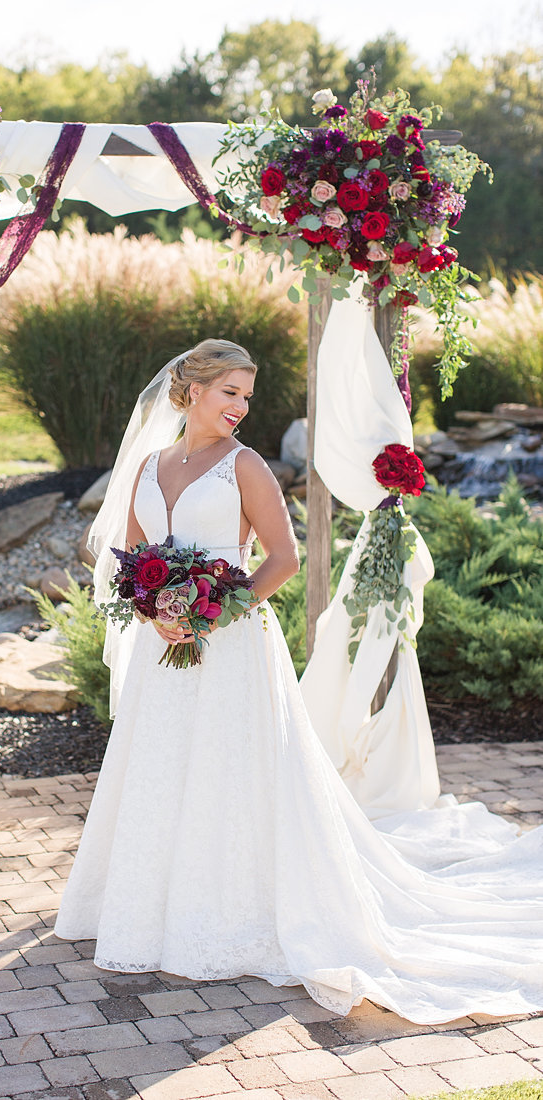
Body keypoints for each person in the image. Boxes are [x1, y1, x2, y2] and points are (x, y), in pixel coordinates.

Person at [54, 339, 543, 1024]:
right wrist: (156, 609)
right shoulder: (144, 466)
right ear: (189, 390)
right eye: (229, 392)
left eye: (246, 397)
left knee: (232, 770)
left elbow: (281, 560)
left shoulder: (244, 467)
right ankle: (151, 907)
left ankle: (228, 909)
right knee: (161, 768)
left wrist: (211, 613)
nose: (239, 408)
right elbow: (134, 558)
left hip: (230, 647)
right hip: (160, 652)